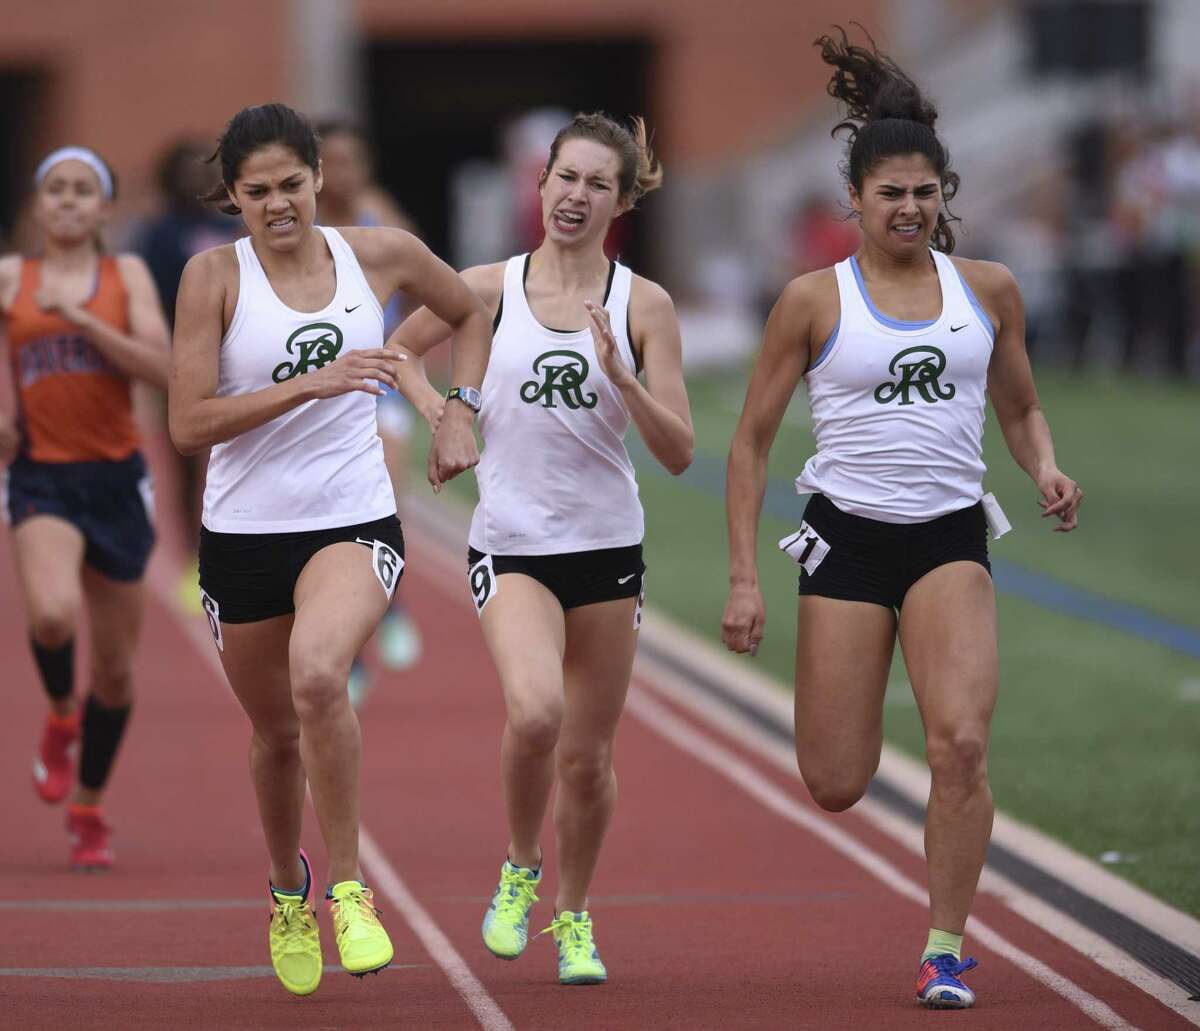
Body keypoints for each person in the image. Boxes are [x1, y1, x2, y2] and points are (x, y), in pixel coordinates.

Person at [721, 29, 1082, 1011]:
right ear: (855, 201)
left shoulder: (987, 291)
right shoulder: (811, 301)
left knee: (962, 741)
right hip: (847, 535)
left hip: (948, 537)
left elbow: (1018, 405)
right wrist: (746, 575)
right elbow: (751, 442)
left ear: (945, 194)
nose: (911, 209)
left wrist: (1043, 464)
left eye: (926, 193)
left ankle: (944, 946)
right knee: (836, 778)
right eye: (892, 195)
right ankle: (921, 892)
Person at [168, 103, 490, 997]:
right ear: (233, 197)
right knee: (275, 734)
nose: (278, 204)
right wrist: (311, 383)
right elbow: (188, 423)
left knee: (319, 674)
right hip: (241, 534)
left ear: (320, 175)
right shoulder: (212, 277)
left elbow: (468, 307)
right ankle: (288, 889)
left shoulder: (376, 254)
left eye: (291, 184)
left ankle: (351, 888)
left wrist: (456, 409)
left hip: (350, 515)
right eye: (257, 191)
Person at [387, 112, 693, 985]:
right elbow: (396, 355)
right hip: (514, 543)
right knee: (535, 713)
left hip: (607, 546)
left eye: (599, 183)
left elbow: (677, 451)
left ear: (621, 200)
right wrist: (447, 416)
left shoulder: (645, 304)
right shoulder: (482, 287)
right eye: (566, 177)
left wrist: (625, 376)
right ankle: (522, 865)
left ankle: (575, 913)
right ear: (541, 182)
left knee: (589, 760)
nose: (577, 196)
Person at [0, 146, 170, 869]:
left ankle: (89, 804)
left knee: (119, 672)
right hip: (41, 475)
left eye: (82, 190)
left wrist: (81, 320)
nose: (67, 201)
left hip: (117, 480)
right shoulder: (12, 276)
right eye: (55, 189)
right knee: (50, 614)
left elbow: (162, 368)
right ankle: (61, 717)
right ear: (39, 205)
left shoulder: (124, 275)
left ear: (104, 208)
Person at [314, 118, 422, 705]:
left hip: (382, 390)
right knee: (330, 527)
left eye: (351, 160)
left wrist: (411, 361)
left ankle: (393, 602)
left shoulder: (385, 219)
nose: (342, 173)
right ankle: (350, 651)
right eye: (330, 161)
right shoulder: (301, 227)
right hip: (321, 395)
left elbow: (431, 292)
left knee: (384, 506)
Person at [132, 138, 239, 612]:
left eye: (203, 171)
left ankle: (236, 548)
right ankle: (193, 560)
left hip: (237, 359)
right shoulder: (158, 233)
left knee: (234, 457)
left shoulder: (231, 227)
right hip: (180, 362)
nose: (196, 180)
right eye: (186, 172)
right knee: (187, 463)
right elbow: (149, 300)